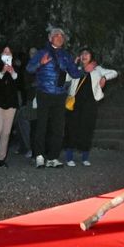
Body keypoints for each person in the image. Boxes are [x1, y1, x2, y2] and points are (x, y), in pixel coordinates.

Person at [26, 28, 83, 168]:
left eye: (62, 36)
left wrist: (83, 69)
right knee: (42, 125)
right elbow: (29, 68)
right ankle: (39, 156)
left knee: (58, 127)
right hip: (44, 93)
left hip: (59, 94)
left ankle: (53, 157)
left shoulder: (66, 55)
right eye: (56, 35)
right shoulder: (42, 53)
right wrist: (41, 63)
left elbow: (74, 73)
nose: (59, 37)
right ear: (50, 38)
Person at [64, 48, 118, 167]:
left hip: (90, 105)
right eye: (82, 54)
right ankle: (69, 157)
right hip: (75, 104)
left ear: (91, 57)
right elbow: (65, 77)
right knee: (72, 129)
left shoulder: (97, 69)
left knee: (87, 129)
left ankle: (85, 157)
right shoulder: (75, 69)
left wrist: (104, 78)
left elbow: (114, 72)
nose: (84, 56)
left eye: (87, 54)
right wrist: (73, 64)